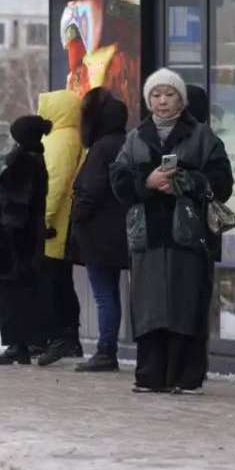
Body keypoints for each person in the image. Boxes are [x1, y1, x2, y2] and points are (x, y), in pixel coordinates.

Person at [110, 68, 233, 394]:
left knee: (185, 304)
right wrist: (146, 182)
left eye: (169, 94)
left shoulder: (203, 136)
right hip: (147, 236)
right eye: (156, 95)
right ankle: (149, 375)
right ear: (148, 100)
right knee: (149, 306)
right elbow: (118, 183)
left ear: (182, 99)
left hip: (189, 236)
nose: (162, 101)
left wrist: (187, 180)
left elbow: (222, 183)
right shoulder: (135, 137)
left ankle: (186, 377)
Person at [0, 115, 52, 365]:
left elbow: (14, 204)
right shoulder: (37, 159)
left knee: (11, 292)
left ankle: (17, 344)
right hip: (29, 237)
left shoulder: (23, 162)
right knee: (25, 290)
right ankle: (23, 343)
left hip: (15, 240)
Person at [70, 88, 130, 372]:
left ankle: (106, 350)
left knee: (104, 294)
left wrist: (78, 215)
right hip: (118, 231)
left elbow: (91, 190)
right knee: (112, 293)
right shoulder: (126, 142)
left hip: (98, 233)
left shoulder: (101, 148)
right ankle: (109, 349)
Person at [35, 89, 86, 366]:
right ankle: (70, 338)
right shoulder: (70, 137)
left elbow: (54, 183)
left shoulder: (59, 140)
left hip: (55, 226)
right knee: (61, 282)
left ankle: (60, 338)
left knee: (53, 283)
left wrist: (43, 218)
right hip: (63, 222)